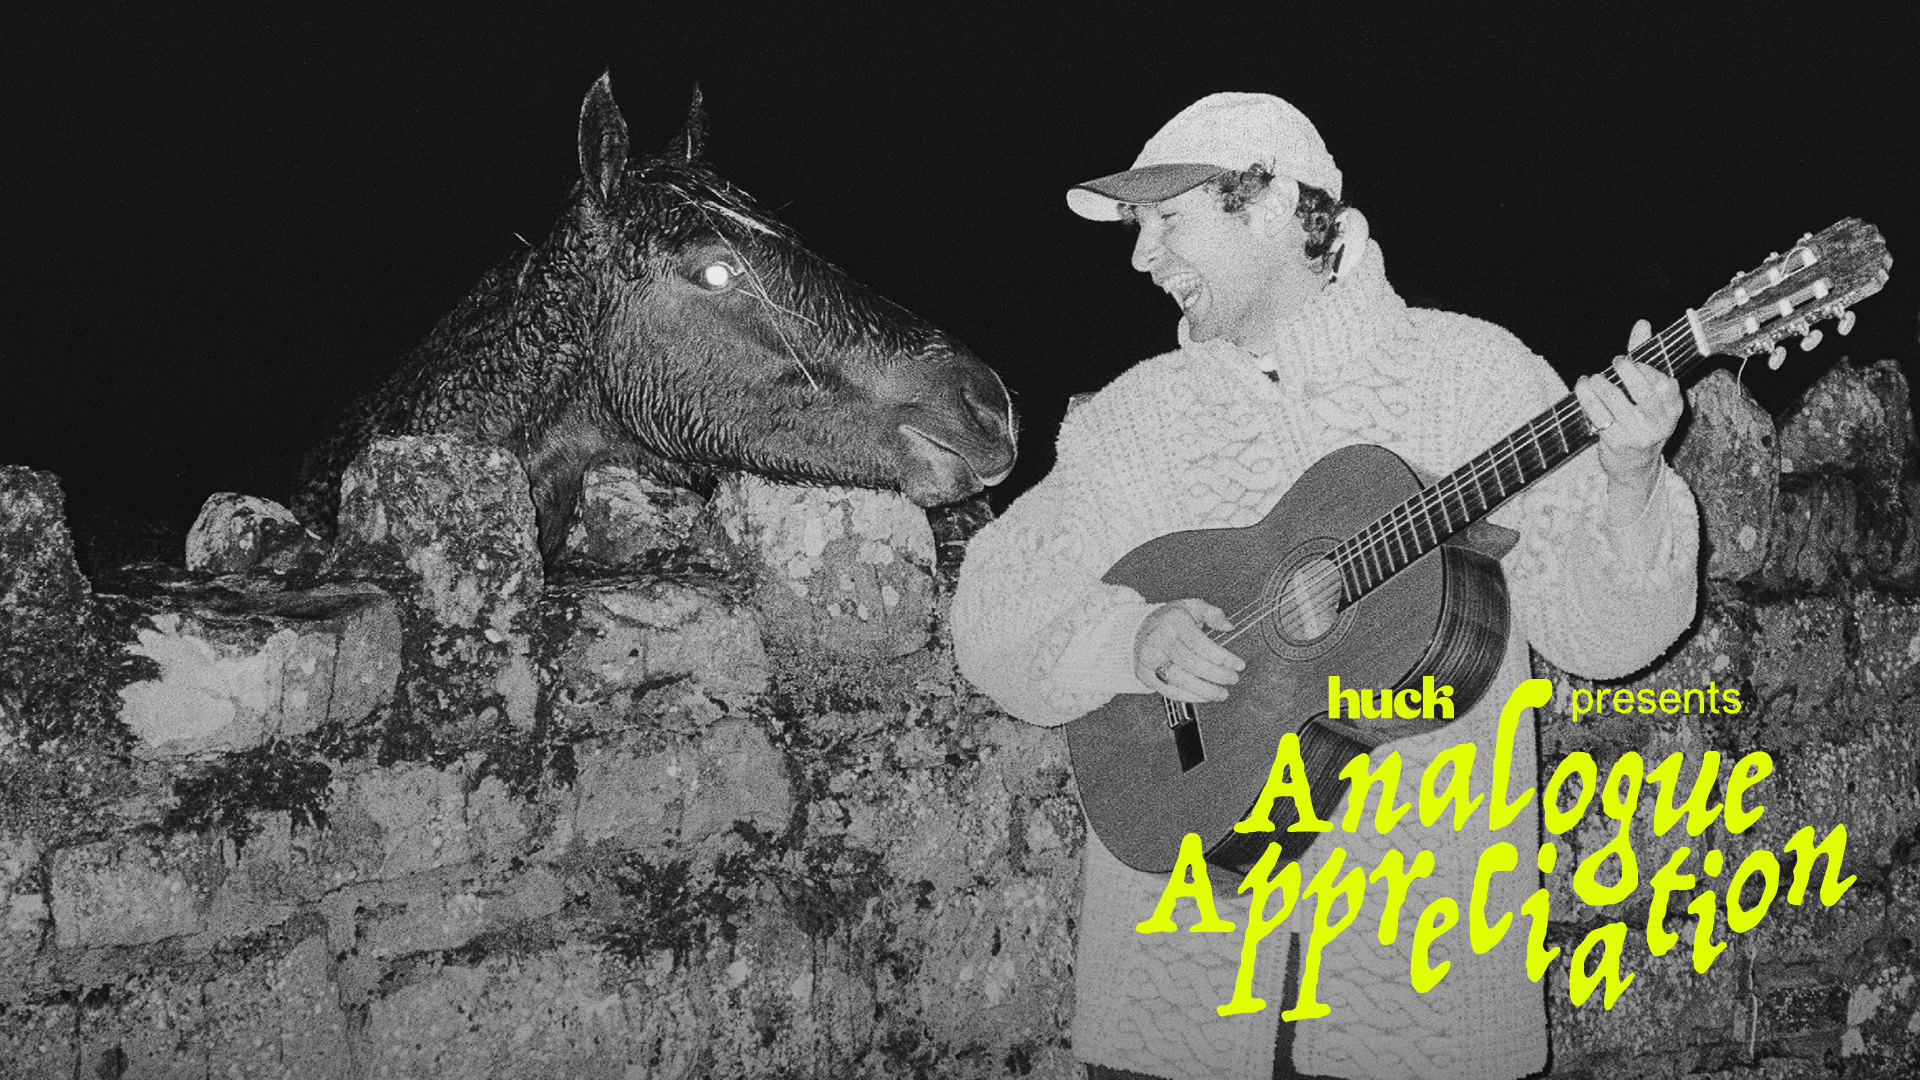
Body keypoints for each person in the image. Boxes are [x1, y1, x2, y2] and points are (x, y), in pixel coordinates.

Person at [951, 93, 1698, 1080]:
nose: (1141, 256)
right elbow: (992, 608)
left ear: (1270, 205)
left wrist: (1633, 483)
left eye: (1167, 219)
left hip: (1421, 1008)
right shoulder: (1133, 421)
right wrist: (1124, 640)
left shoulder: (1476, 378)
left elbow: (1606, 638)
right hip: (1172, 1010)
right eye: (1137, 226)